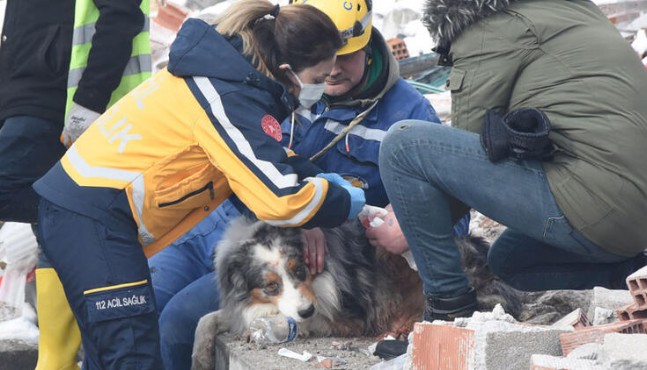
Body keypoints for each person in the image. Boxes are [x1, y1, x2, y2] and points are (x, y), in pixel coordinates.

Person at [32, 0, 363, 368]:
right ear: (287, 71)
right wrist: (341, 200)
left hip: (79, 211)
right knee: (132, 355)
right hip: (91, 219)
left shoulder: (223, 75)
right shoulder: (228, 97)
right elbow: (279, 199)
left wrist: (311, 178)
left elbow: (254, 163)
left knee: (109, 352)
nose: (316, 90)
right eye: (317, 80)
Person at [150, 0, 471, 368]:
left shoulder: (409, 114)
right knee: (142, 303)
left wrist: (409, 225)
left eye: (344, 56)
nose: (331, 71)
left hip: (283, 265)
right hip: (213, 227)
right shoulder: (269, 84)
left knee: (177, 321)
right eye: (319, 65)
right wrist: (302, 213)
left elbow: (457, 213)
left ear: (367, 45)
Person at [379, 0, 647, 323]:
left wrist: (403, 222)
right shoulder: (568, 8)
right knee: (510, 261)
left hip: (598, 203)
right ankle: (637, 276)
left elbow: (457, 176)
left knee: (403, 145)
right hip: (644, 217)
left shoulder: (484, 30)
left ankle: (447, 310)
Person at [0, 0, 152, 369]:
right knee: (58, 229)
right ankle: (58, 361)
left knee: (64, 219)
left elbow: (122, 15)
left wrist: (90, 101)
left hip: (58, 105)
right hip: (31, 104)